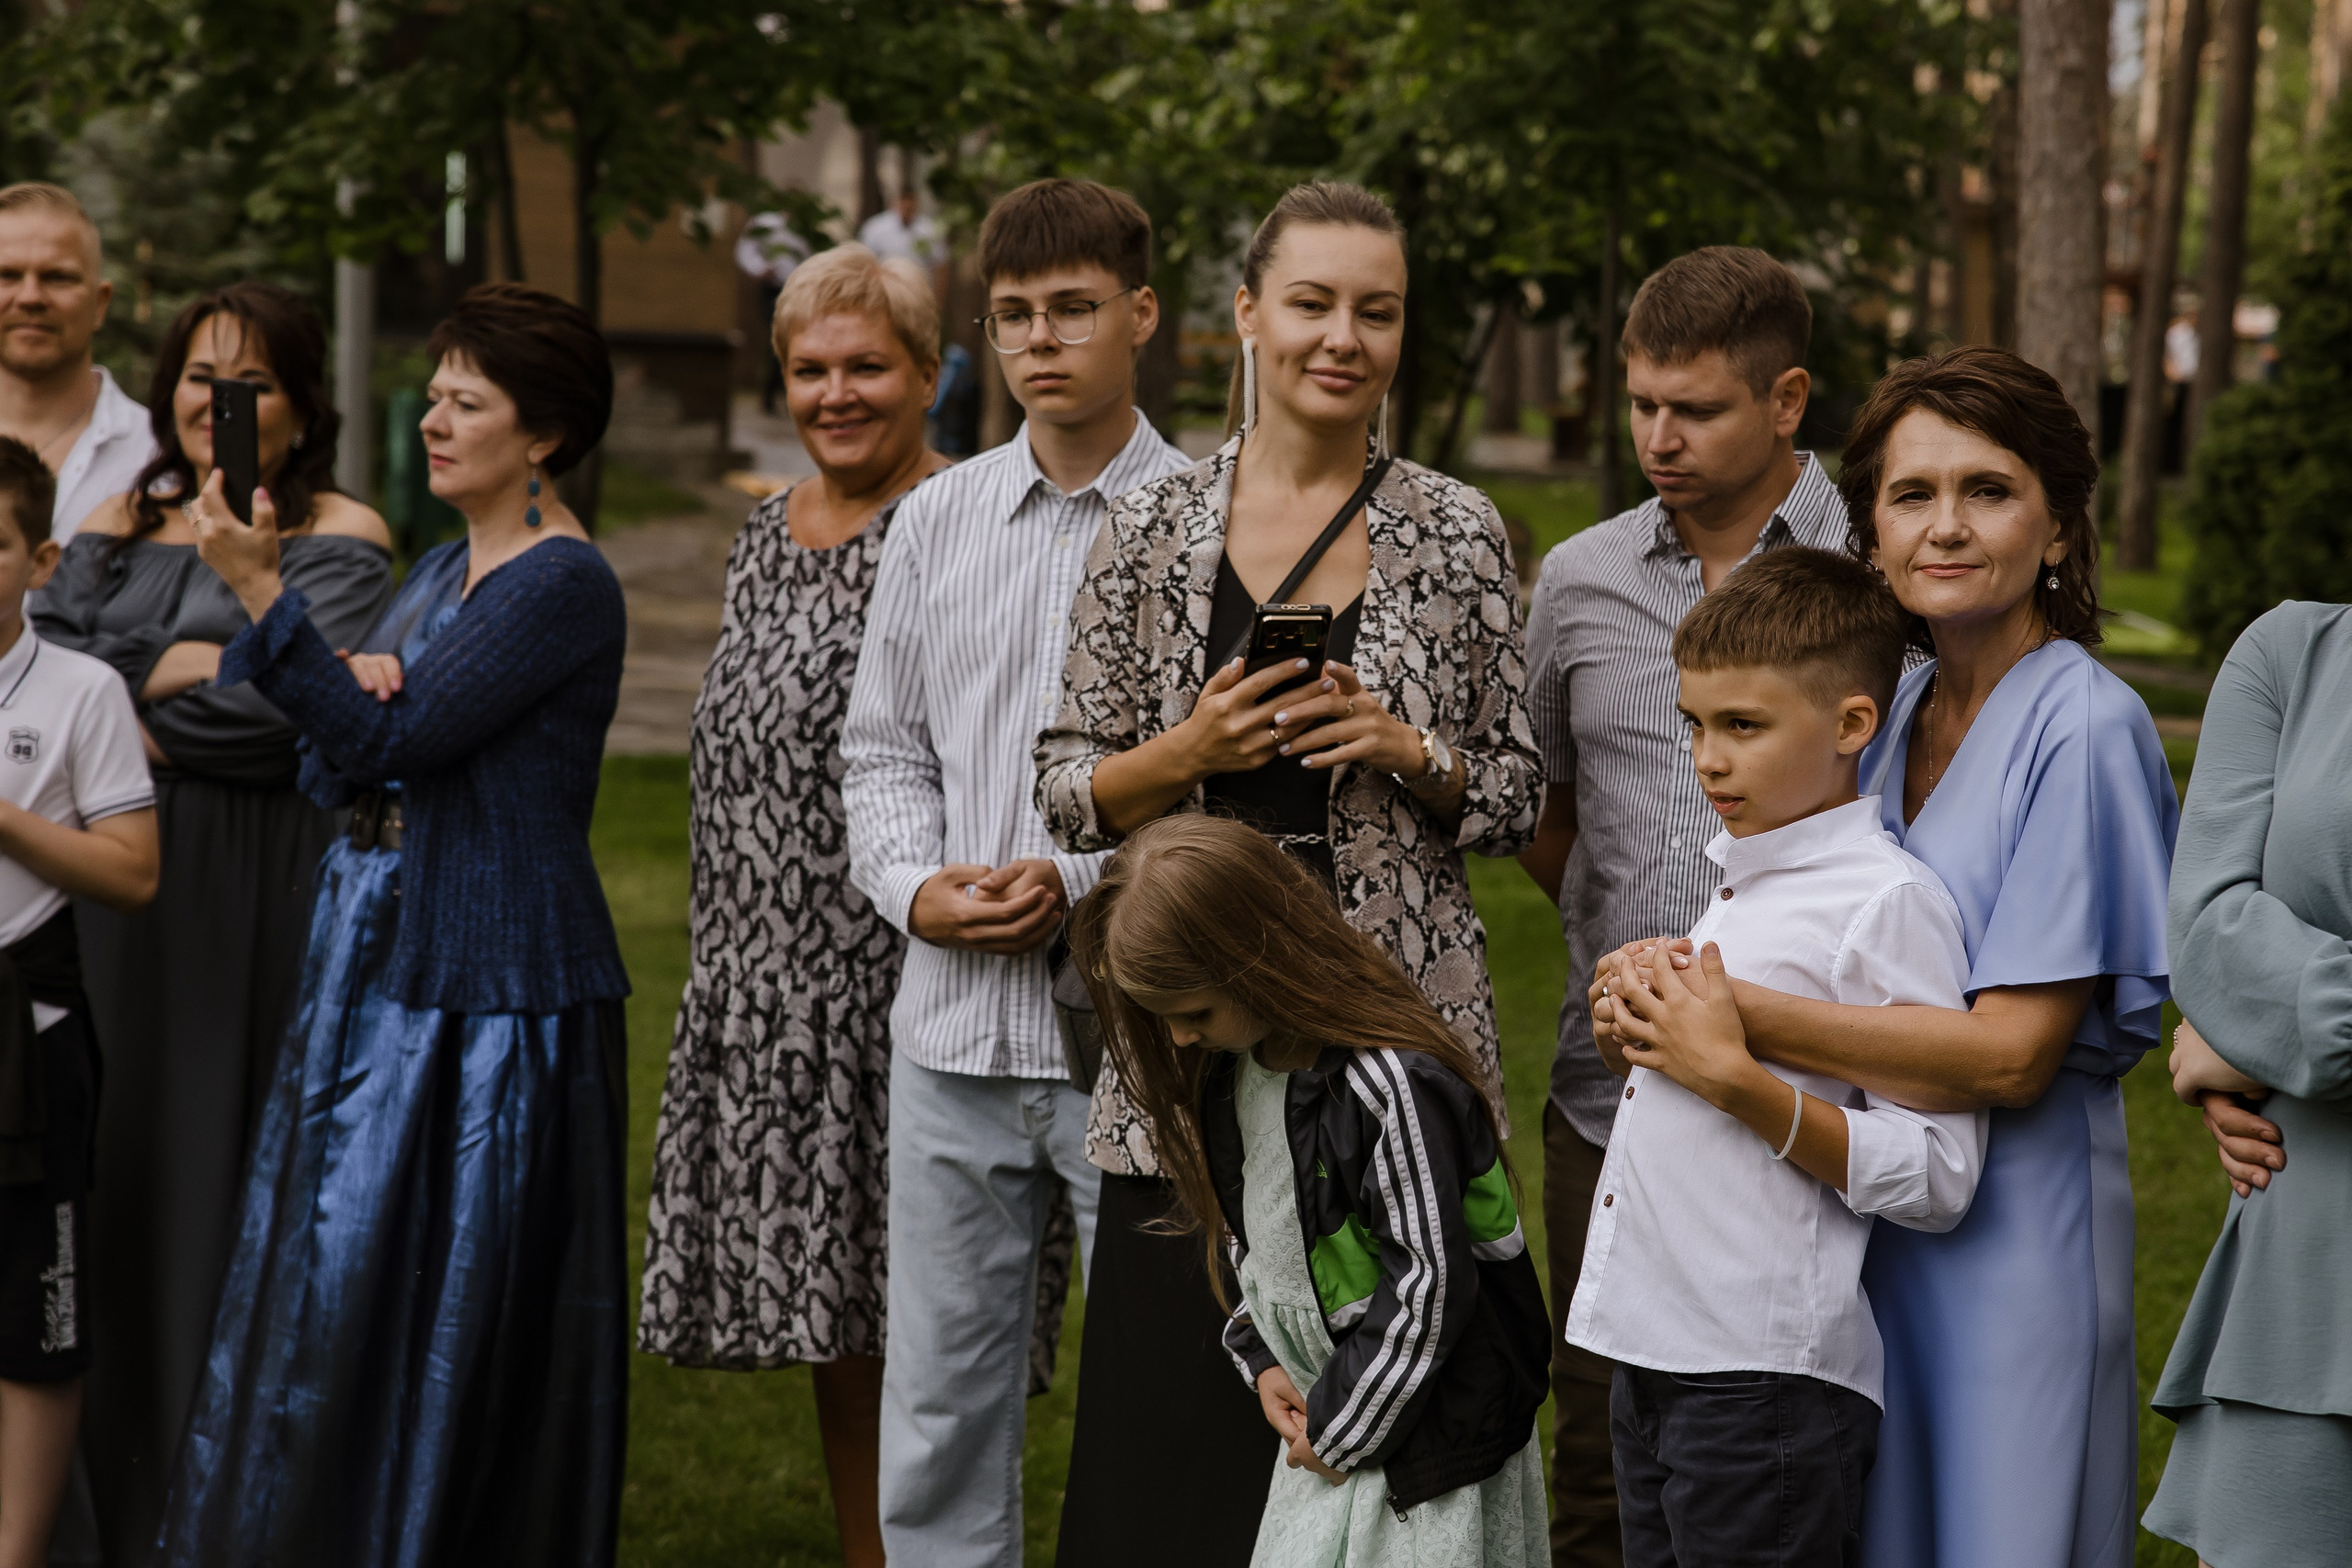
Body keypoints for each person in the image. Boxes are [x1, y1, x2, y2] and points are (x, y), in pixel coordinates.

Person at [1033, 178, 1540, 1565]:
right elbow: (1068, 784)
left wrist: (1404, 743)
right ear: (1247, 314)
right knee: (1169, 1432)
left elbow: (1514, 793)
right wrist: (1187, 745)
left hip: (1379, 1039)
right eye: (1311, 303)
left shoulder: (1460, 529)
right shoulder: (1150, 528)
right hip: (1185, 1046)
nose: (1343, 336)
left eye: (1376, 311)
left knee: (1376, 1414)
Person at [1600, 346, 2176, 1567]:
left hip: (2017, 1230)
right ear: (1871, 532)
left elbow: (2016, 1053)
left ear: (2059, 528)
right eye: (1912, 495)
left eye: (1989, 490)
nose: (1945, 526)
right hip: (1867, 1224)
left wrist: (1724, 1018)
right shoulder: (1896, 702)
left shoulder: (2083, 722)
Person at [156, 282, 629, 1564]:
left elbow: (380, 736)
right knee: (328, 1288)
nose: (431, 419)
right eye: (434, 394)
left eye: (467, 401)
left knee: (429, 1309)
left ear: (543, 434)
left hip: (484, 994)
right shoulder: (436, 569)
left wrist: (271, 603)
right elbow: (338, 765)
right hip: (372, 965)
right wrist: (352, 691)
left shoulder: (560, 583)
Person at [839, 176, 1188, 1568]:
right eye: (1019, 316)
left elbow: (1210, 779)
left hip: (1142, 1041)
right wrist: (919, 889)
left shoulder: (1207, 521)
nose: (1047, 340)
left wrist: (1068, 872)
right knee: (936, 1413)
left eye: (1076, 309)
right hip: (948, 1033)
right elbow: (881, 750)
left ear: (1141, 316)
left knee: (1163, 1402)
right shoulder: (934, 520)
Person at [28, 278, 393, 1564]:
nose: (216, 404)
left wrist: (151, 693)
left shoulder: (340, 532)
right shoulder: (120, 521)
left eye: (250, 384)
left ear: (301, 404)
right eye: (197, 376)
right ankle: (71, 1502)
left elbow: (286, 713)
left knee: (205, 1166)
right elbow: (34, 660)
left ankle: (213, 1502)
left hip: (242, 887)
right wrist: (188, 665)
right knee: (90, 1171)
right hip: (91, 888)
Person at [1518, 243, 1846, 1566]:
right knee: (1603, 1456)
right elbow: (1546, 813)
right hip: (1614, 1099)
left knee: (1796, 1451)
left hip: (1829, 1095)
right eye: (1643, 401)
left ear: (1787, 400)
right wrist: (1632, 930)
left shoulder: (1876, 567)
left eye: (1696, 407)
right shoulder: (1580, 577)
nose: (1659, 435)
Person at [638, 244, 965, 1568]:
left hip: (892, 981)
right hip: (761, 985)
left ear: (929, 374)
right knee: (839, 1327)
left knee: (927, 1330)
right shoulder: (763, 533)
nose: (836, 394)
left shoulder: (955, 523)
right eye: (810, 370)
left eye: (866, 366)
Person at [1575, 547, 1984, 1565]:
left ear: (1852, 725)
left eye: (1742, 727)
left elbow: (1939, 1175)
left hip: (1762, 1383)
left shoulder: (1881, 903)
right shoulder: (1743, 886)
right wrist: (1639, 1033)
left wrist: (1737, 1085)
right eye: (1696, 726)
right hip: (1649, 1352)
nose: (1708, 761)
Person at [1067, 812, 1551, 1566]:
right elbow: (1255, 1241)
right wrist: (1262, 1357)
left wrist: (1338, 1431)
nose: (1182, 1040)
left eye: (1193, 1012)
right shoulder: (1238, 1071)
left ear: (1254, 956)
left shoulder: (1390, 1086)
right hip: (1334, 1428)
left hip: (1426, 1455)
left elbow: (1430, 1287)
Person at [2139, 600, 2352, 1567]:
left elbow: (2243, 986)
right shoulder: (2294, 653)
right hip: (2306, 1274)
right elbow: (2206, 933)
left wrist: (2271, 1040)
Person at [0, 439, 158, 1568]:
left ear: (38, 558)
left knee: (35, 1330)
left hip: (28, 1047)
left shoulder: (79, 691)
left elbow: (133, 873)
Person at [0, 184, 155, 543]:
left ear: (100, 303)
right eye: (7, 275)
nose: (31, 297)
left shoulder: (160, 459)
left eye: (58, 278)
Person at [735, 209, 811, 415]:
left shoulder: (804, 227)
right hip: (771, 289)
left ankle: (782, 391)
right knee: (776, 339)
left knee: (792, 340)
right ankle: (769, 393)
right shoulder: (765, 224)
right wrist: (760, 268)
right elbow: (745, 250)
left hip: (796, 290)